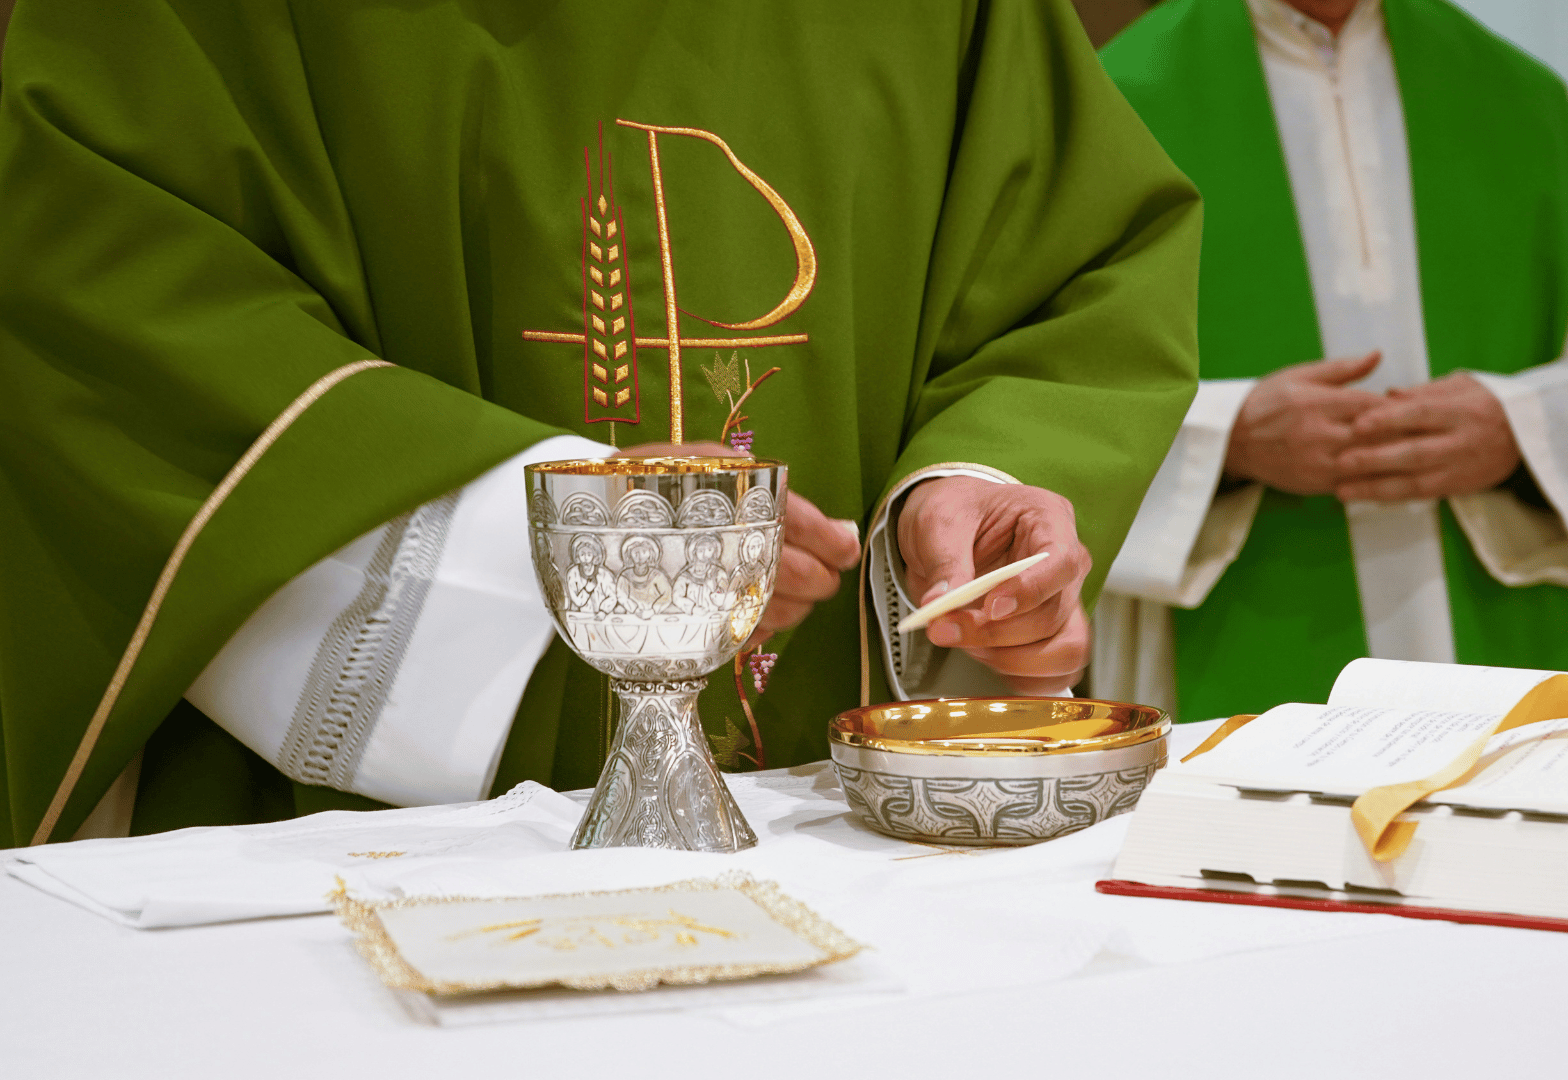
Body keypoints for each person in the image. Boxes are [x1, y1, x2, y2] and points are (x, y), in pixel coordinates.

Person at [0, 0, 1200, 844]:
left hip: (830, 829)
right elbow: (100, 294)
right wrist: (545, 535)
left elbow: (1073, 270)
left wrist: (965, 490)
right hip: (365, 858)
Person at [1093, 0, 1568, 720]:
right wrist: (1225, 435)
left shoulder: (1515, 98)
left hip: (1480, 646)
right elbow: (1035, 389)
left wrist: (1519, 429)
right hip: (1223, 639)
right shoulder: (1119, 101)